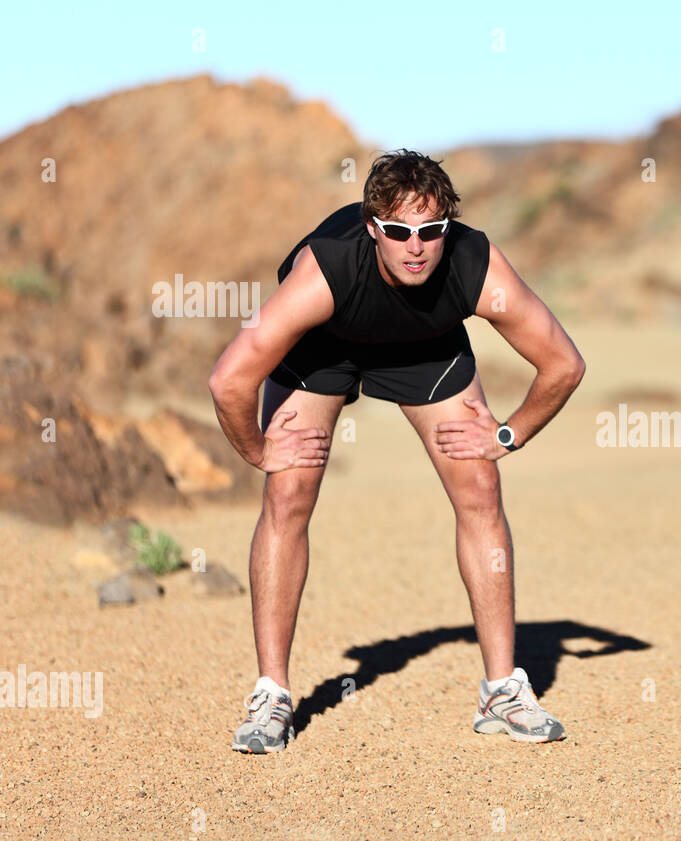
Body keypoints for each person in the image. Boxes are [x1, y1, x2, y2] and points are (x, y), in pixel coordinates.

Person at [207, 149, 585, 752]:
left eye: (432, 230)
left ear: (448, 228)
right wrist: (257, 450)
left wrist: (507, 433)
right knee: (289, 491)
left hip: (424, 348)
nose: (417, 246)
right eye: (399, 231)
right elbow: (229, 380)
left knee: (480, 487)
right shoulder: (324, 272)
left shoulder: (474, 264)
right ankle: (272, 695)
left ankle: (502, 690)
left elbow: (563, 363)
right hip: (322, 348)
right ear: (372, 227)